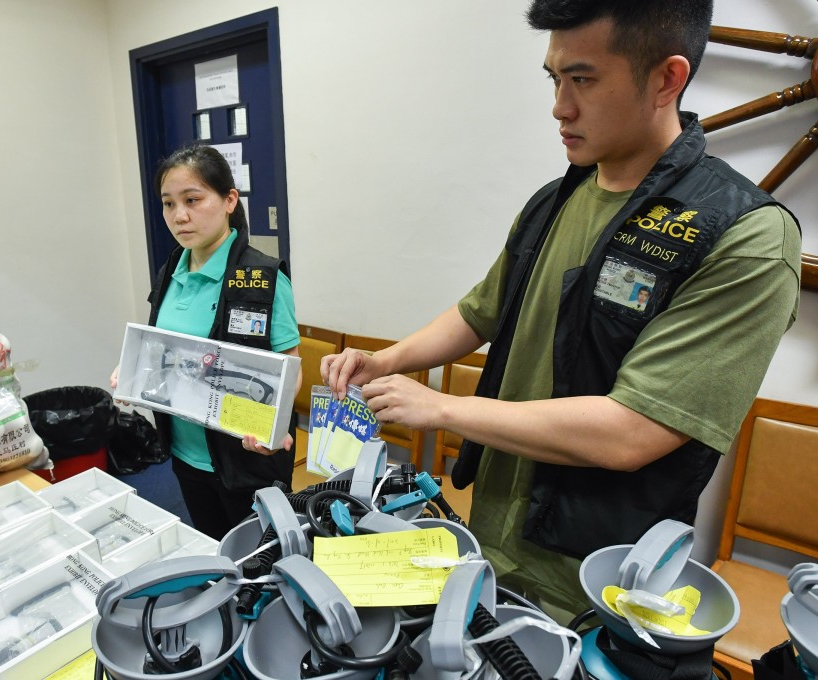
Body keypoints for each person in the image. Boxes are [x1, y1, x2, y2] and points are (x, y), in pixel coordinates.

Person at [323, 0, 800, 623]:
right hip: (495, 532)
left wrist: (441, 409)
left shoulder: (744, 235)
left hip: (597, 571)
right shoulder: (556, 197)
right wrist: (386, 360)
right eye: (554, 80)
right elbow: (481, 313)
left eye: (583, 80)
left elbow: (636, 430)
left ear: (667, 79)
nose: (560, 107)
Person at [111, 144, 301, 540]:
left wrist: (274, 425)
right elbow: (166, 348)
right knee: (214, 544)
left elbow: (289, 366)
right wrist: (132, 368)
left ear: (229, 200)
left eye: (193, 200)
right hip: (185, 451)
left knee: (261, 562)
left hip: (245, 460)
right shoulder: (170, 271)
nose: (179, 216)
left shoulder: (263, 277)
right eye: (168, 203)